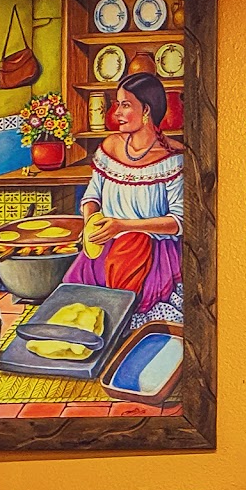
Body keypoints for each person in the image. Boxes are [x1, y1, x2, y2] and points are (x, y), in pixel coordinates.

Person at [64, 71, 183, 316]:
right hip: (103, 246)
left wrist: (124, 226)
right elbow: (92, 196)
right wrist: (90, 224)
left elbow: (178, 222)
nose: (116, 113)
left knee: (120, 314)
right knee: (77, 311)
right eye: (117, 104)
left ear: (146, 110)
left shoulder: (173, 158)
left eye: (125, 105)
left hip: (152, 255)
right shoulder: (110, 146)